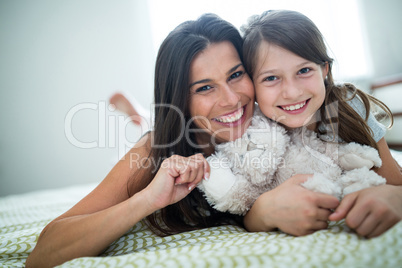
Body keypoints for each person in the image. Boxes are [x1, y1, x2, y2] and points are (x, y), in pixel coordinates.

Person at [26, 13, 257, 267]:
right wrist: (147, 199)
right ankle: (137, 116)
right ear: (180, 98)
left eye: (236, 75)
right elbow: (42, 254)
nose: (232, 99)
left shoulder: (271, 114)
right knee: (151, 130)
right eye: (204, 87)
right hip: (165, 135)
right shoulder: (152, 150)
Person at [240, 9, 402, 238]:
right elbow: (240, 209)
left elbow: (395, 184)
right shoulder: (251, 131)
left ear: (324, 69)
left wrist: (394, 197)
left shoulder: (350, 108)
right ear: (252, 86)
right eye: (271, 78)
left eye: (304, 70)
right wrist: (263, 211)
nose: (292, 92)